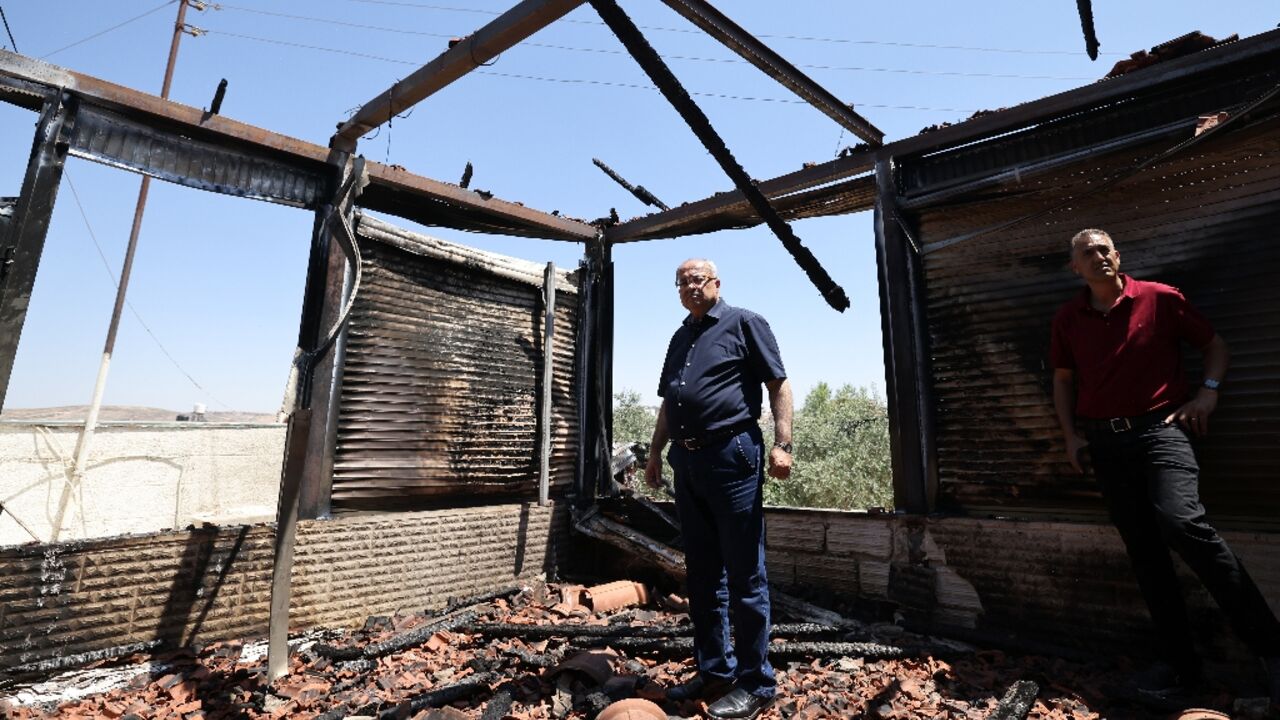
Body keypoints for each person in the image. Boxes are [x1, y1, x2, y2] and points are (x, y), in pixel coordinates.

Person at [1051, 228, 1279, 705]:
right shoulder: (1068, 318)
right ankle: (1181, 670)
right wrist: (1071, 435)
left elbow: (1215, 345)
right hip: (1104, 445)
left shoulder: (1160, 299)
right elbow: (1064, 379)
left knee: (1183, 523)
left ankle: (1272, 649)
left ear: (1117, 255)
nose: (1097, 258)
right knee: (1146, 555)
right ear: (1075, 268)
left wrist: (1208, 391)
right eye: (1086, 254)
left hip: (1161, 431)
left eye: (1103, 250)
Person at [644, 258, 793, 720]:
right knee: (704, 575)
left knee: (746, 575)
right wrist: (654, 453)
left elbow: (779, 384)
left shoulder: (744, 322)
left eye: (697, 279)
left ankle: (757, 683)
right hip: (687, 461)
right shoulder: (681, 336)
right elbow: (671, 401)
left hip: (732, 455)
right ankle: (716, 669)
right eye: (682, 282)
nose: (690, 287)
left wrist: (784, 443)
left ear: (716, 283)